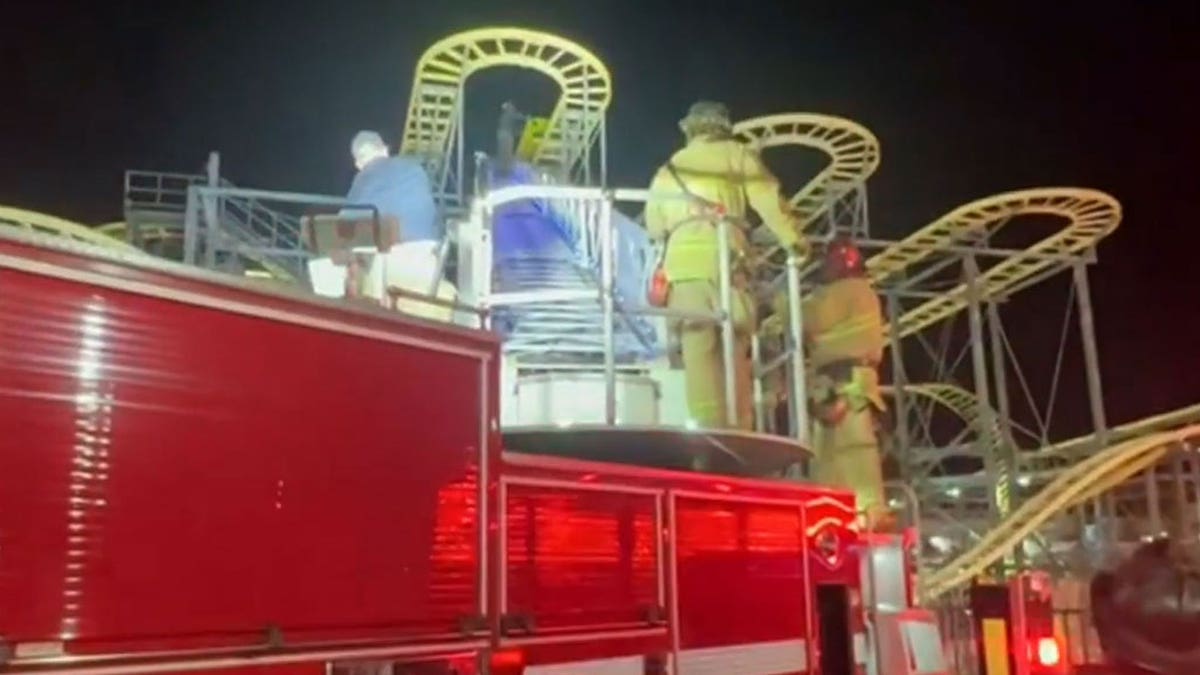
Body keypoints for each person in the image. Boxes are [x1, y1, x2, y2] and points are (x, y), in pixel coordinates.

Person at [644, 101, 808, 430]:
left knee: (699, 356)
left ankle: (707, 439)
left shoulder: (669, 169)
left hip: (684, 274)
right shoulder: (737, 154)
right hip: (727, 263)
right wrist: (795, 242)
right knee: (733, 352)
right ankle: (738, 432)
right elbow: (768, 199)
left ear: (690, 129)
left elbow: (654, 226)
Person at [782, 236, 890, 529]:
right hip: (847, 386)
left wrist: (776, 299)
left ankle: (862, 520)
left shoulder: (845, 292)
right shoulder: (862, 292)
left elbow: (804, 318)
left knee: (846, 460)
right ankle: (853, 519)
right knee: (844, 459)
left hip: (844, 387)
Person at [339, 130, 455, 321]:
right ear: (384, 150)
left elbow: (345, 226)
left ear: (358, 163)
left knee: (352, 265)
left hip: (389, 266)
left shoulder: (363, 178)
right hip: (428, 261)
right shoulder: (415, 169)